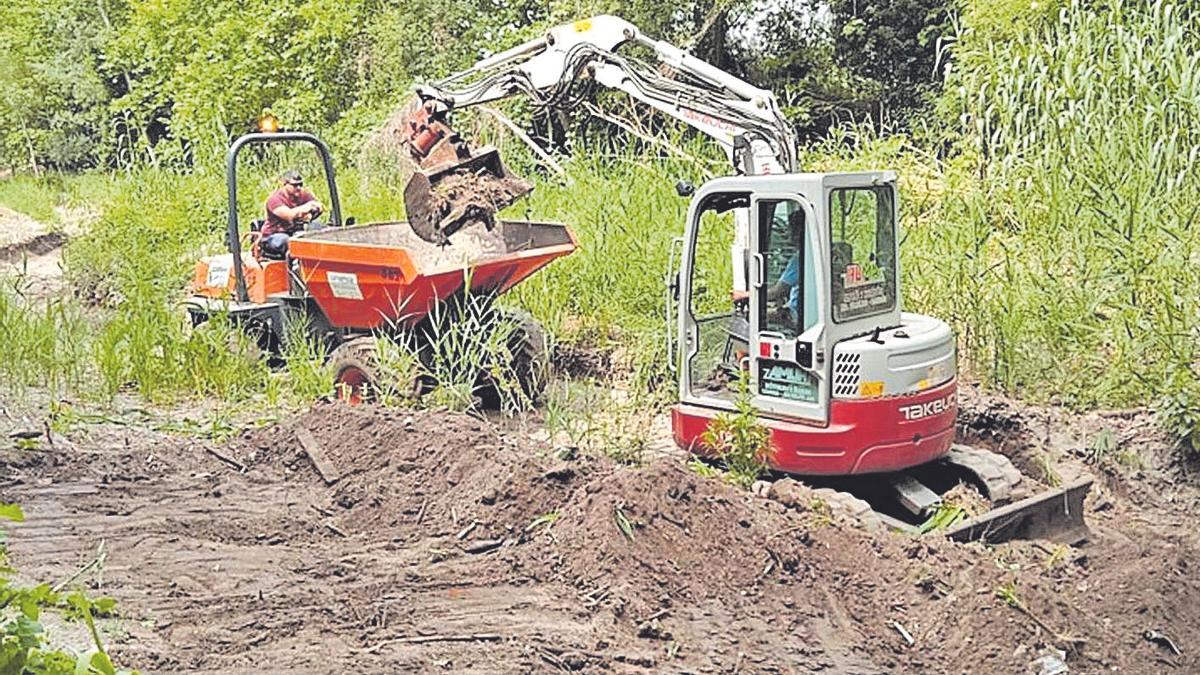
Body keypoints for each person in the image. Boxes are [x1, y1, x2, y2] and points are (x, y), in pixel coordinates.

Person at [260, 169, 323, 259]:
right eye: (294, 185)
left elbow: (317, 206)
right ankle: (294, 269)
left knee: (319, 230)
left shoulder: (302, 195)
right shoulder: (274, 200)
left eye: (300, 184)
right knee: (288, 242)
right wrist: (306, 208)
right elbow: (289, 215)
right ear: (284, 184)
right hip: (273, 236)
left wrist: (314, 211)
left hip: (295, 233)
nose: (298, 188)